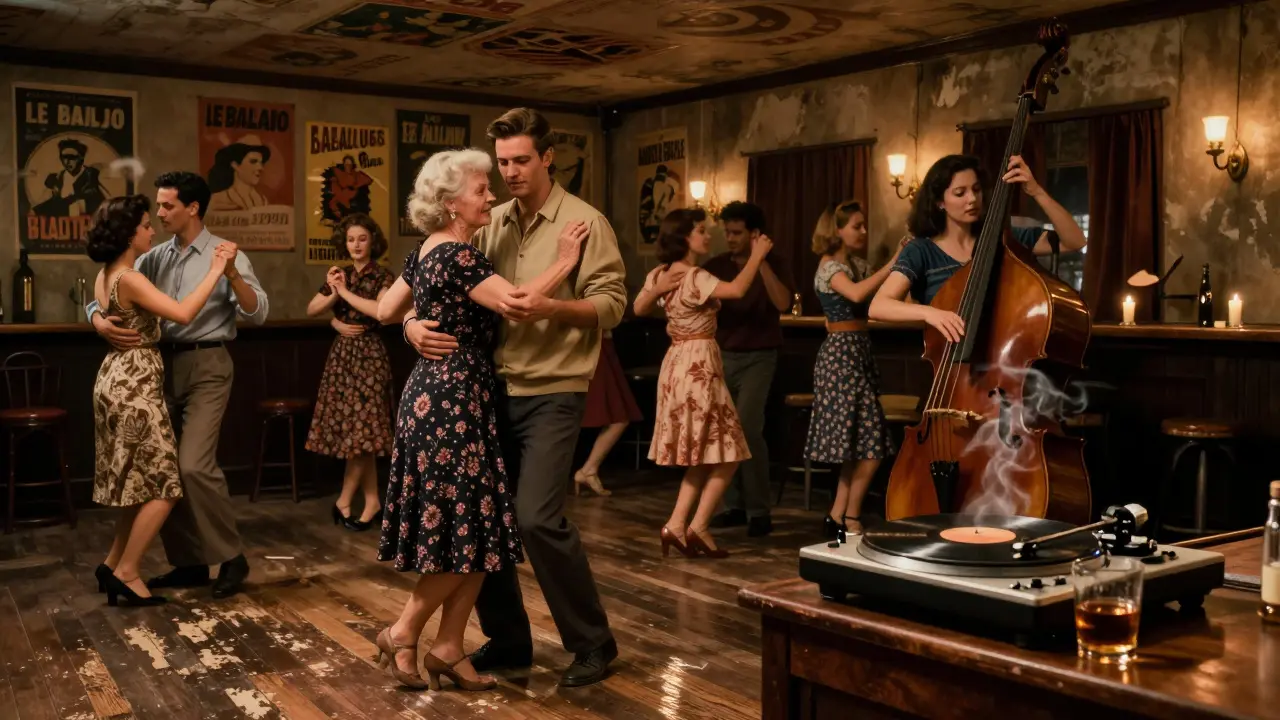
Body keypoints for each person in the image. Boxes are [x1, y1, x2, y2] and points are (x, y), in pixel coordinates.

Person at [403, 107, 626, 688]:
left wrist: (554, 304)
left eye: (521, 160)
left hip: (554, 389)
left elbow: (612, 305)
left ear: (547, 157)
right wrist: (410, 325)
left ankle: (593, 643)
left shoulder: (585, 222)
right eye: (502, 163)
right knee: (490, 519)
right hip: (489, 391)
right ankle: (508, 641)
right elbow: (436, 280)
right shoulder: (490, 220)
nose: (510, 173)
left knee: (535, 518)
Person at [372, 148, 583, 690]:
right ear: (449, 204)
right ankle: (404, 630)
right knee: (461, 531)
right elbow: (515, 304)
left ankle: (447, 646)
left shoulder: (427, 251)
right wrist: (563, 260)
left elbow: (384, 309)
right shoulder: (458, 258)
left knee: (478, 531)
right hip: (450, 404)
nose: (490, 194)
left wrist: (412, 321)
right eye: (480, 189)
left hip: (446, 396)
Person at [86, 171, 269, 600]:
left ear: (193, 208)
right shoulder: (152, 256)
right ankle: (189, 563)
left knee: (191, 466)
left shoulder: (225, 252)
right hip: (158, 369)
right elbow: (108, 288)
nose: (160, 213)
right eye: (157, 208)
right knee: (165, 472)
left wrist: (233, 278)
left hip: (208, 364)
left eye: (167, 206)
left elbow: (258, 312)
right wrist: (96, 319)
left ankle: (231, 557)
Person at [633, 208, 770, 558]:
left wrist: (657, 290)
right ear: (683, 237)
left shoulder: (662, 273)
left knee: (706, 453)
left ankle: (679, 525)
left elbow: (639, 307)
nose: (707, 235)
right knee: (730, 450)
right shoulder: (694, 275)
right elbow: (738, 289)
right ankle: (697, 525)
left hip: (678, 363)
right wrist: (757, 255)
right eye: (699, 230)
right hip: (698, 367)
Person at [869, 154, 1086, 338]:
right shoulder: (920, 250)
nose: (972, 199)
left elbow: (1075, 241)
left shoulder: (1004, 238)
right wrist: (930, 313)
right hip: (951, 366)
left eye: (976, 189)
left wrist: (1036, 191)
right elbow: (878, 306)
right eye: (960, 193)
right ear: (940, 202)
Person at [805, 201, 902, 536]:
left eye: (863, 225)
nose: (863, 231)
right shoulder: (828, 267)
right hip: (840, 357)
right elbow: (859, 295)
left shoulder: (858, 264)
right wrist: (893, 263)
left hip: (860, 353)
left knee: (858, 443)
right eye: (857, 226)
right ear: (837, 230)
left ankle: (836, 516)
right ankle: (852, 517)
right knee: (873, 443)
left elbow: (879, 299)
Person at [703, 201, 791, 538]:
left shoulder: (776, 263)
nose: (730, 238)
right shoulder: (716, 265)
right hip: (723, 355)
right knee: (724, 431)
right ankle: (734, 506)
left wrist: (761, 261)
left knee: (749, 427)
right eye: (727, 231)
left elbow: (783, 303)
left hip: (760, 356)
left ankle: (759, 510)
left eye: (737, 232)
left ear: (755, 234)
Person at [305, 213, 396, 531]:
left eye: (362, 238)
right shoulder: (338, 274)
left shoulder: (384, 276)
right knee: (360, 435)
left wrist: (342, 295)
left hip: (369, 355)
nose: (356, 245)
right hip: (343, 357)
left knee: (364, 430)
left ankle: (344, 500)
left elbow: (382, 313)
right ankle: (372, 501)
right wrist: (333, 312)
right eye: (350, 239)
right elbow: (311, 308)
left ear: (373, 241)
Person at [571, 331, 642, 496]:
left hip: (599, 345)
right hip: (593, 346)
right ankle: (587, 470)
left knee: (620, 415)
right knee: (619, 416)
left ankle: (589, 470)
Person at [35, 138, 107, 217]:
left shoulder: (93, 175)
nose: (67, 161)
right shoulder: (55, 179)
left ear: (81, 158)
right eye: (64, 157)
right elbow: (39, 205)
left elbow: (108, 201)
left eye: (72, 157)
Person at [207, 136, 271, 212]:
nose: (260, 168)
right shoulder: (217, 200)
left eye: (261, 163)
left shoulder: (263, 201)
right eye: (253, 161)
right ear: (235, 165)